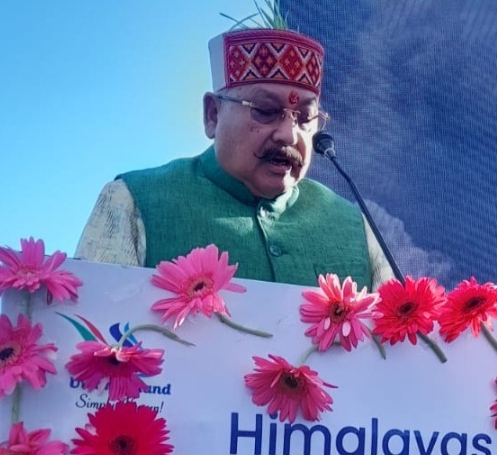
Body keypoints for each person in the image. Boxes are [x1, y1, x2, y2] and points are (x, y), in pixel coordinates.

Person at [75, 24, 393, 288]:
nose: (289, 135)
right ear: (213, 115)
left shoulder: (353, 226)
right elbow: (91, 332)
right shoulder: (134, 201)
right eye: (265, 110)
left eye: (305, 118)